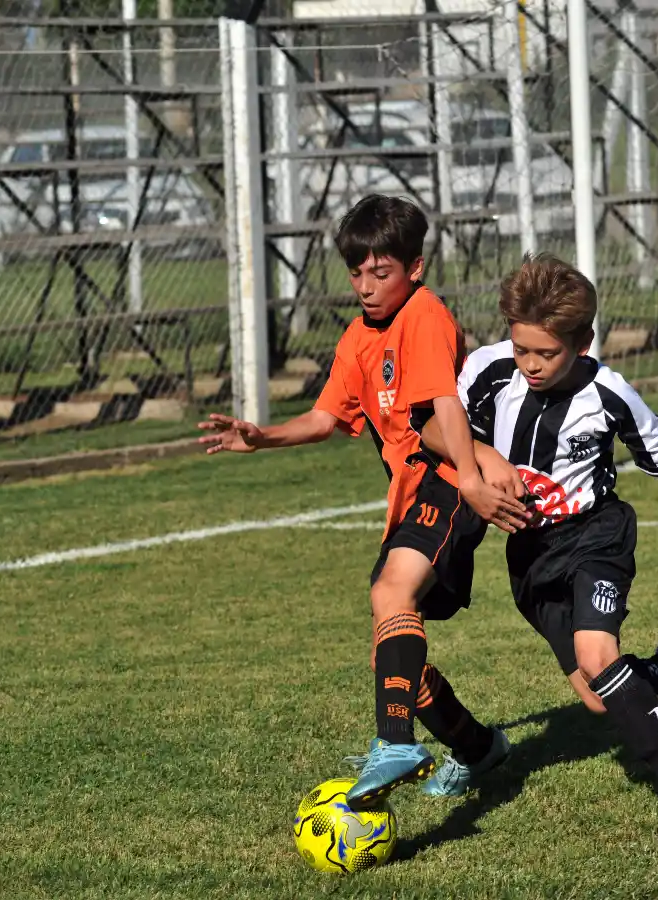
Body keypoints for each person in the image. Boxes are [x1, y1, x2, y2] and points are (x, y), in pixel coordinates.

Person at [197, 195, 529, 808]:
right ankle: (480, 748)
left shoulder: (424, 315)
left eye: (382, 273)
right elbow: (327, 418)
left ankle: (395, 744)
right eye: (356, 273)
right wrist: (263, 437)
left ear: (416, 269)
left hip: (446, 479)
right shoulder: (356, 338)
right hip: (412, 494)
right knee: (397, 652)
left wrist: (474, 480)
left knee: (389, 596)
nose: (367, 286)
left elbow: (445, 407)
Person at [420, 253, 658, 843]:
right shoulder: (488, 371)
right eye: (522, 350)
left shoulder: (609, 394)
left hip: (597, 537)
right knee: (600, 700)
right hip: (530, 556)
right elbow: (431, 427)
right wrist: (487, 457)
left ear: (583, 341)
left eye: (546, 353)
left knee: (598, 657)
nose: (531, 365)